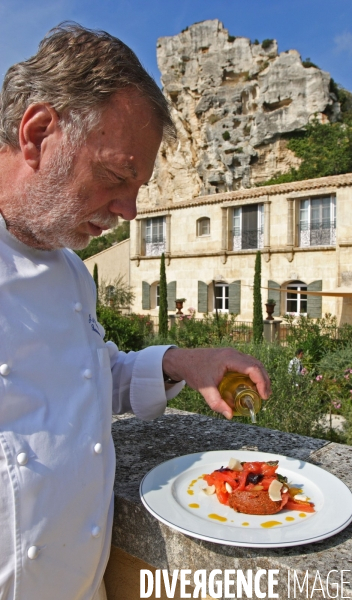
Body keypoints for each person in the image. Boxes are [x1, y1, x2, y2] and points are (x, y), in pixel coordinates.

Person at [0, 24, 271, 600]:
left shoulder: (71, 271)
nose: (127, 209)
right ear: (39, 133)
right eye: (117, 176)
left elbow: (85, 382)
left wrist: (182, 361)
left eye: (139, 186)